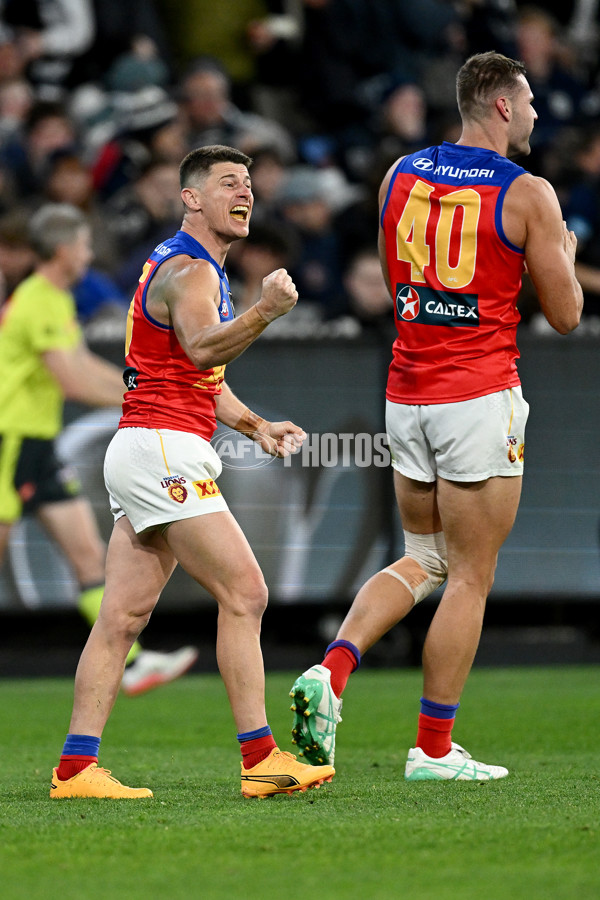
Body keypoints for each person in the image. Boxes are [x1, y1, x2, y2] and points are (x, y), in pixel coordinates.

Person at [289, 51, 582, 781]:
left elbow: (397, 282)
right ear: (503, 107)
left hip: (407, 391)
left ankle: (332, 669)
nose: (539, 113)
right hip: (477, 395)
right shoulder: (529, 194)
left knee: (425, 558)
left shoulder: (399, 174)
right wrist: (566, 254)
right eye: (531, 101)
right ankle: (434, 748)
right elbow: (568, 314)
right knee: (470, 577)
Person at [50, 145, 335, 800]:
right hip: (163, 450)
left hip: (144, 443)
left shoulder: (190, 269)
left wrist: (255, 425)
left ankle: (76, 768)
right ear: (191, 198)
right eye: (228, 183)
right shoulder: (193, 272)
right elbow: (207, 345)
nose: (245, 194)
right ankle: (260, 758)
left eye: (249, 185)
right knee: (246, 593)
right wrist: (264, 312)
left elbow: (196, 370)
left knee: (121, 618)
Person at [0, 203, 198, 697]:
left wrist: (140, 386)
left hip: (36, 443)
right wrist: (145, 393)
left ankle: (132, 663)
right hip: (12, 440)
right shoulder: (38, 299)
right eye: (85, 245)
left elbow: (80, 364)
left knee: (88, 556)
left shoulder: (52, 298)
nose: (90, 254)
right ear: (64, 249)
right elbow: (71, 379)